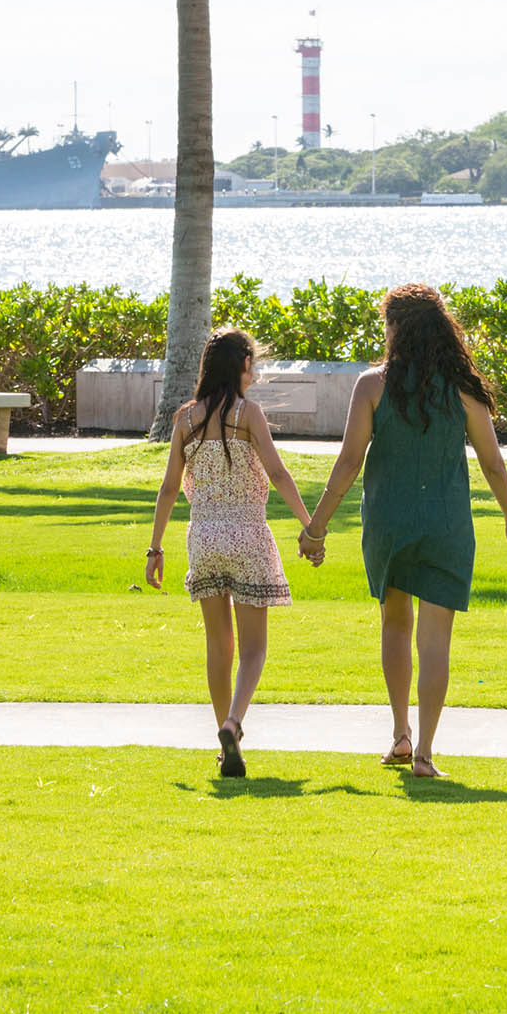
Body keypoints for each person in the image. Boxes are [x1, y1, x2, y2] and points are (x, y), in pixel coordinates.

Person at [300, 283, 507, 779]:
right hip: (447, 525)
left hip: (389, 522)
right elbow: (494, 464)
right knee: (435, 642)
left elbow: (347, 464)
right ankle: (425, 751)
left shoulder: (372, 385)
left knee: (394, 625)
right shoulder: (463, 388)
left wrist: (316, 529)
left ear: (397, 328)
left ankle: (400, 733)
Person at [145, 330, 318, 779]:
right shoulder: (248, 414)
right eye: (253, 361)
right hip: (246, 534)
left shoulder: (185, 418)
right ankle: (233, 724)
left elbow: (168, 488)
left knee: (218, 646)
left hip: (203, 535)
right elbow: (277, 473)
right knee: (254, 649)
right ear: (242, 363)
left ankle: (225, 748)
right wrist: (310, 526)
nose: (255, 368)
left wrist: (155, 547)